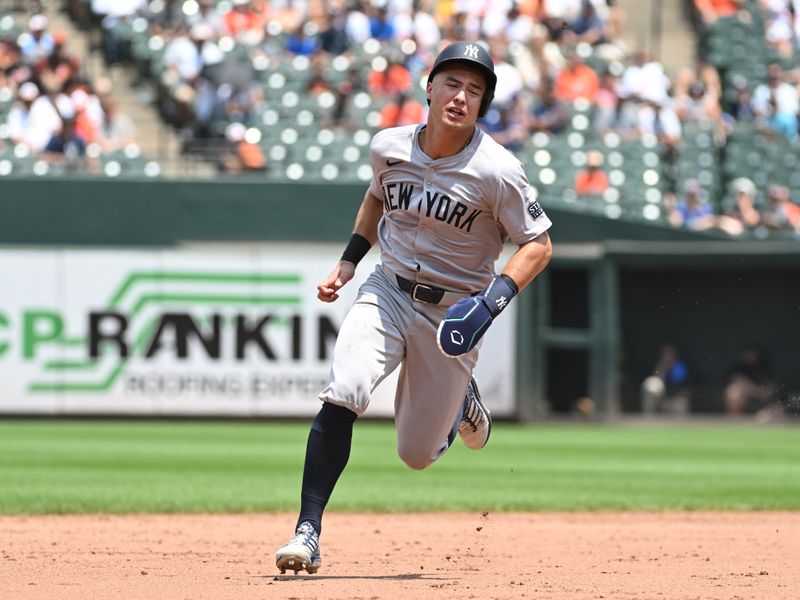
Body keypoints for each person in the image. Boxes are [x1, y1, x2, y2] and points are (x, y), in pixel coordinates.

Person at [274, 40, 553, 575]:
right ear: (429, 87)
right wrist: (349, 261)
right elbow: (378, 195)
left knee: (415, 454)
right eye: (451, 82)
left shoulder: (498, 171)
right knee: (346, 388)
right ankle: (306, 531)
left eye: (475, 89)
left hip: (452, 316)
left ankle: (462, 404)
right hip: (387, 289)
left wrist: (492, 303)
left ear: (483, 106)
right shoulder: (388, 145)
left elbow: (538, 244)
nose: (460, 96)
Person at [641, 344, 691, 415]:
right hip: (662, 398)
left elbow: (678, 381)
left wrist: (670, 369)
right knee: (649, 389)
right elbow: (657, 382)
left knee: (682, 404)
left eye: (669, 354)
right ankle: (649, 419)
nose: (667, 357)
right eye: (665, 354)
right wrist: (663, 369)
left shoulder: (679, 366)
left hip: (676, 398)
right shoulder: (661, 366)